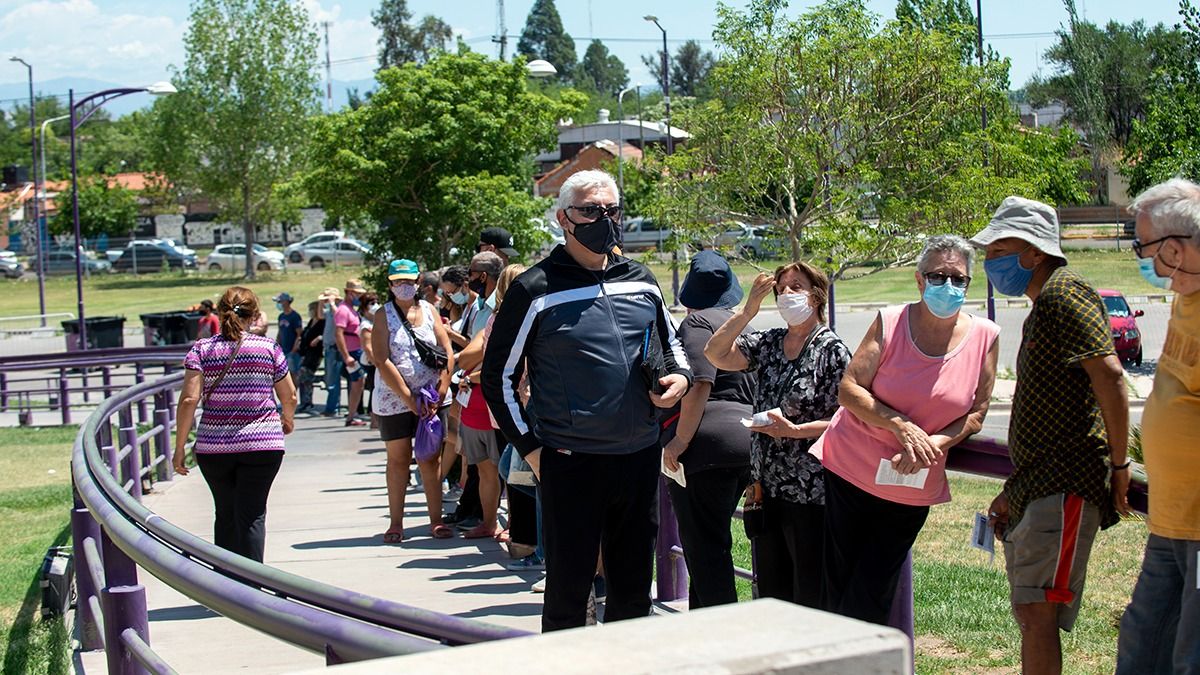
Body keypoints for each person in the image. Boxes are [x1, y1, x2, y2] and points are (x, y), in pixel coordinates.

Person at [483, 169, 691, 632]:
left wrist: (679, 375)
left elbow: (671, 344)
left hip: (639, 456)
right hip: (570, 461)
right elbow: (497, 378)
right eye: (590, 210)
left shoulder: (641, 279)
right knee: (569, 592)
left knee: (634, 589)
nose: (604, 219)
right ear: (563, 218)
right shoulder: (535, 288)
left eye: (611, 210)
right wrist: (532, 449)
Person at [973, 197, 1131, 675]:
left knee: (1037, 610)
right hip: (1040, 483)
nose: (989, 259)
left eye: (999, 246)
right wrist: (1013, 490)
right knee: (1030, 610)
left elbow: (1109, 375)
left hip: (1064, 482)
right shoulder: (1045, 304)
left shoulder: (1065, 292)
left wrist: (1120, 466)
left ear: (1034, 252)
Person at [816, 235, 999, 624]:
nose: (948, 285)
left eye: (958, 278)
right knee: (839, 581)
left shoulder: (985, 336)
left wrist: (931, 443)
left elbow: (977, 412)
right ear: (919, 280)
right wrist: (900, 425)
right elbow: (849, 389)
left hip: (912, 481)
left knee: (872, 587)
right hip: (851, 469)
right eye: (938, 276)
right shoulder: (891, 321)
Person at [704, 260, 850, 608]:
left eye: (796, 288)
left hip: (810, 492)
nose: (786, 295)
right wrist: (748, 310)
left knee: (809, 592)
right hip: (766, 489)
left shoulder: (832, 351)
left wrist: (796, 431)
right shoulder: (769, 343)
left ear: (816, 296)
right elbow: (715, 353)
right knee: (772, 592)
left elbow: (847, 420)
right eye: (781, 289)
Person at [1116, 178, 1200, 674]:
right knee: (1142, 644)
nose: (1138, 256)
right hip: (1171, 521)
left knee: (1192, 656)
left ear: (1173, 248)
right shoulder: (1184, 297)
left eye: (1141, 244)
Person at [173, 286, 297, 562]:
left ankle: (227, 585)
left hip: (214, 448)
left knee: (225, 513)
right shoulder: (268, 348)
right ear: (254, 316)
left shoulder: (202, 350)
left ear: (220, 312)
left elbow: (188, 400)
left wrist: (179, 447)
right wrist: (286, 419)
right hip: (263, 445)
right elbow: (289, 395)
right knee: (252, 514)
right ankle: (253, 588)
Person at [660, 250, 756, 609]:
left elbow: (701, 382)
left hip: (705, 447)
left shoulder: (696, 325)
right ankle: (703, 628)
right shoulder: (742, 323)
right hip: (747, 442)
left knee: (706, 549)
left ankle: (724, 641)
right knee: (710, 543)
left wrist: (679, 441)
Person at [372, 259, 455, 542]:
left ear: (418, 281)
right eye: (398, 282)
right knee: (398, 460)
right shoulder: (382, 316)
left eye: (408, 281)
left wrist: (443, 387)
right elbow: (382, 360)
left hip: (432, 399)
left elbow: (446, 351)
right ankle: (396, 522)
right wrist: (409, 400)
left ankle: (436, 520)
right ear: (390, 284)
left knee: (430, 459)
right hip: (395, 401)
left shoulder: (430, 310)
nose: (404, 287)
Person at [448, 252, 507, 538]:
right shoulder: (486, 307)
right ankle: (487, 521)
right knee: (484, 469)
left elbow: (485, 357)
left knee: (503, 470)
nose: (467, 279)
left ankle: (511, 529)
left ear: (482, 276)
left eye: (471, 273)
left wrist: (470, 371)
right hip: (475, 397)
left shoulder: (499, 309)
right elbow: (471, 354)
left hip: (493, 400)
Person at [329, 279, 368, 426]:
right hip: (352, 352)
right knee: (357, 382)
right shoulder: (343, 310)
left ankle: (353, 414)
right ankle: (352, 415)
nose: (358, 296)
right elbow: (338, 334)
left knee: (359, 383)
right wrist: (346, 356)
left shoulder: (351, 309)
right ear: (349, 293)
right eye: (356, 293)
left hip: (358, 350)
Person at [317, 287, 343, 415]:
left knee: (333, 378)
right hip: (328, 347)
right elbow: (320, 315)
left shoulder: (338, 309)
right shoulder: (329, 311)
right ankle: (332, 406)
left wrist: (333, 303)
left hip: (335, 347)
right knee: (330, 378)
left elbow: (339, 316)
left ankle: (332, 407)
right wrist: (321, 302)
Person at [296, 301, 324, 413]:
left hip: (314, 353)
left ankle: (308, 402)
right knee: (304, 379)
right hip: (305, 352)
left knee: (304, 375)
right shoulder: (312, 321)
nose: (310, 312)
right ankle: (305, 402)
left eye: (311, 309)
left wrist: (319, 338)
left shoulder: (322, 322)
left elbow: (325, 335)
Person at [357, 293, 380, 425]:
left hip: (376, 361)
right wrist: (377, 363)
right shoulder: (366, 325)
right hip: (371, 362)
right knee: (374, 389)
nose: (375, 305)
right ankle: (373, 420)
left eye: (376, 302)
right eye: (371, 303)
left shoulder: (375, 321)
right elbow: (367, 347)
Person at [274, 292, 303, 379]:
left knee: (293, 373)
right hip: (283, 350)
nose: (279, 304)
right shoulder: (281, 316)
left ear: (286, 302)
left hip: (292, 350)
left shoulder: (295, 316)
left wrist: (294, 349)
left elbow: (299, 334)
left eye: (280, 302)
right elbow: (280, 332)